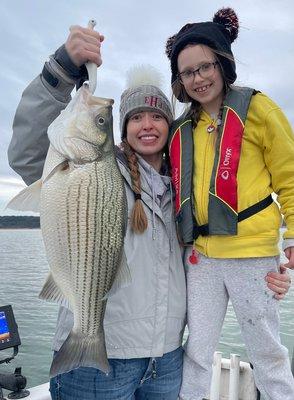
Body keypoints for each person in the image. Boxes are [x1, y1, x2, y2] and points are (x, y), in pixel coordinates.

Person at [7, 24, 291, 400]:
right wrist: (61, 69)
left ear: (170, 126)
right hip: (99, 365)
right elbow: (26, 154)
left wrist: (268, 268)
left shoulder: (184, 189)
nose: (147, 125)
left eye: (157, 116)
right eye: (135, 117)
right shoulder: (95, 172)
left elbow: (212, 256)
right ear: (122, 128)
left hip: (167, 363)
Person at [165, 7, 294, 400]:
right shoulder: (180, 129)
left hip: (253, 255)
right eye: (188, 72)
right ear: (179, 81)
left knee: (267, 353)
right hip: (200, 258)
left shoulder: (259, 109)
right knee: (197, 352)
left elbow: (290, 178)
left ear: (222, 64)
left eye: (205, 67)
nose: (198, 78)